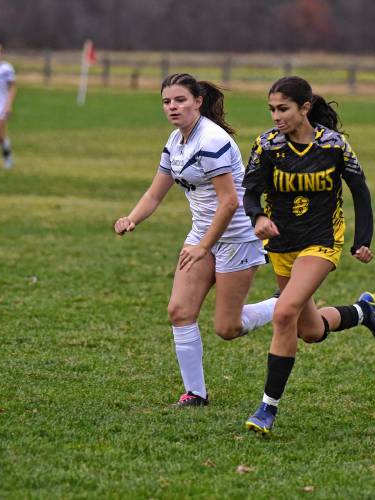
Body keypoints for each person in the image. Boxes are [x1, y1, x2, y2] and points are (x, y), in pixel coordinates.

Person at [114, 73, 278, 407]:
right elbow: (155, 193)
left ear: (198, 101)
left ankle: (282, 303)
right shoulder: (176, 141)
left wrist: (204, 246)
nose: (172, 107)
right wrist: (132, 217)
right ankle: (196, 395)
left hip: (235, 237)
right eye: (166, 101)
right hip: (202, 236)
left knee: (228, 328)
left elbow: (230, 202)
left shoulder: (211, 141)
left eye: (180, 100)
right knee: (179, 311)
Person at [241, 76, 375, 435]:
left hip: (322, 241)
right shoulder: (266, 146)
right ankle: (361, 312)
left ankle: (267, 409)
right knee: (309, 331)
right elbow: (249, 193)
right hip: (281, 244)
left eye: (283, 109)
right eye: (272, 109)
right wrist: (258, 216)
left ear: (304, 108)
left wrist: (362, 239)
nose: (276, 116)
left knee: (285, 313)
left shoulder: (335, 145)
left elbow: (361, 191)